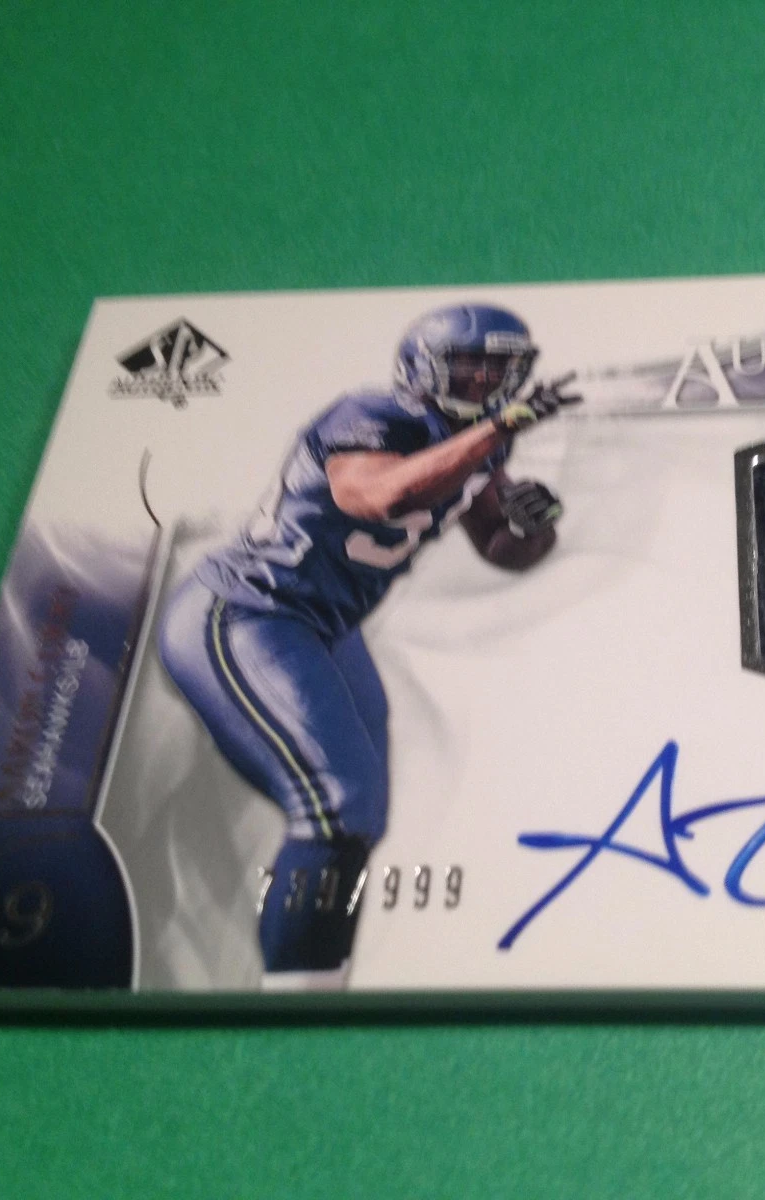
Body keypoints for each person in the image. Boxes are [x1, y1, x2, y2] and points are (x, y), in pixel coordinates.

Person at [158, 303, 576, 990]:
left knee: (364, 811)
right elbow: (376, 497)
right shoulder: (373, 414)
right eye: (468, 363)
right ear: (422, 366)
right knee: (337, 802)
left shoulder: (484, 442)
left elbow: (501, 546)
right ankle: (294, 999)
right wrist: (500, 427)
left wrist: (539, 524)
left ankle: (322, 979)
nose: (483, 378)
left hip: (324, 624)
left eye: (498, 366)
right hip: (248, 609)